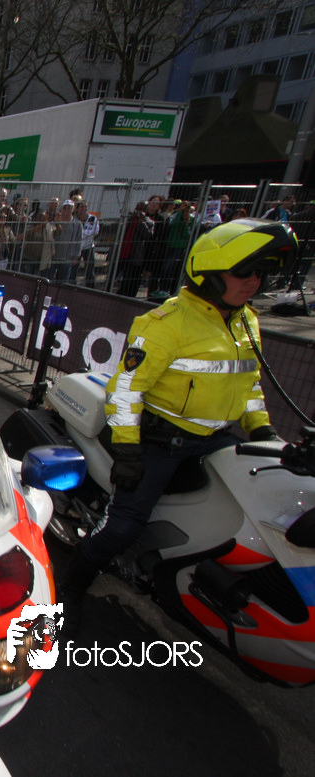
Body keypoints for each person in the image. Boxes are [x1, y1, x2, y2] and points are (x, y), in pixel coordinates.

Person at [60, 218, 298, 636]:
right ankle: (70, 592)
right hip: (160, 441)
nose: (254, 282)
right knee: (123, 526)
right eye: (244, 272)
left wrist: (262, 431)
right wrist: (128, 450)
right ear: (210, 274)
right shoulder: (167, 323)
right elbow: (127, 389)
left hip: (215, 439)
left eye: (261, 274)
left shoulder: (246, 320)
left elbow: (249, 385)